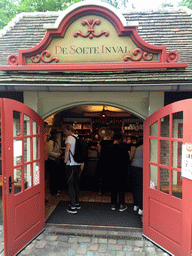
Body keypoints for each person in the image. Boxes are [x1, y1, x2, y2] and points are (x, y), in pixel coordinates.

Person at [107, 132, 130, 211]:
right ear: (120, 139)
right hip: (121, 170)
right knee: (121, 188)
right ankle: (121, 205)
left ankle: (113, 204)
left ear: (113, 138)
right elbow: (127, 159)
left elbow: (106, 160)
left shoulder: (109, 147)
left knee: (113, 187)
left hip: (112, 170)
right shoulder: (124, 147)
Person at [63, 124, 81, 214]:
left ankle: (73, 207)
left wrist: (65, 160)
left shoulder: (69, 138)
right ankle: (76, 203)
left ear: (68, 130)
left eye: (65, 131)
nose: (64, 133)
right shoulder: (77, 137)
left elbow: (67, 149)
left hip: (71, 165)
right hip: (78, 164)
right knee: (76, 184)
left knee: (70, 185)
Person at [130, 140, 143, 215]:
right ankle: (141, 208)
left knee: (135, 187)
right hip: (142, 168)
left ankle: (135, 205)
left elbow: (131, 157)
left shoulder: (137, 148)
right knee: (141, 188)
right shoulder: (147, 146)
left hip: (134, 167)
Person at [48, 129, 62, 196]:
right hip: (52, 161)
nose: (58, 135)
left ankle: (55, 190)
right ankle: (53, 191)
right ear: (54, 135)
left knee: (56, 176)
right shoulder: (51, 142)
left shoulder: (55, 142)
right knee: (53, 177)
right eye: (57, 134)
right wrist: (58, 154)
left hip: (55, 161)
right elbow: (49, 152)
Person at [44, 122, 50, 203]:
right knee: (43, 180)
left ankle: (43, 196)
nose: (48, 129)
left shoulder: (45, 136)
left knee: (44, 179)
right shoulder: (41, 136)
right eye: (47, 127)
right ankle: (43, 196)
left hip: (45, 159)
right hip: (42, 161)